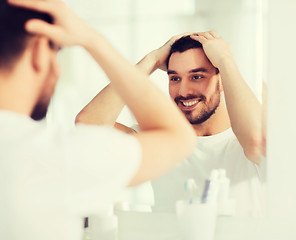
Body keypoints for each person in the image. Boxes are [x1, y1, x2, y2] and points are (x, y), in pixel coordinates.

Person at [0, 0, 196, 239]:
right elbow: (178, 138)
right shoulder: (52, 156)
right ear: (40, 51)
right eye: (57, 52)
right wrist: (91, 39)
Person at [77, 32, 267, 216]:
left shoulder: (244, 141)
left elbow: (255, 140)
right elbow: (89, 126)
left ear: (222, 80)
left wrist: (226, 61)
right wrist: (151, 60)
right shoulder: (163, 141)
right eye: (175, 78)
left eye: (197, 76)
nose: (183, 91)